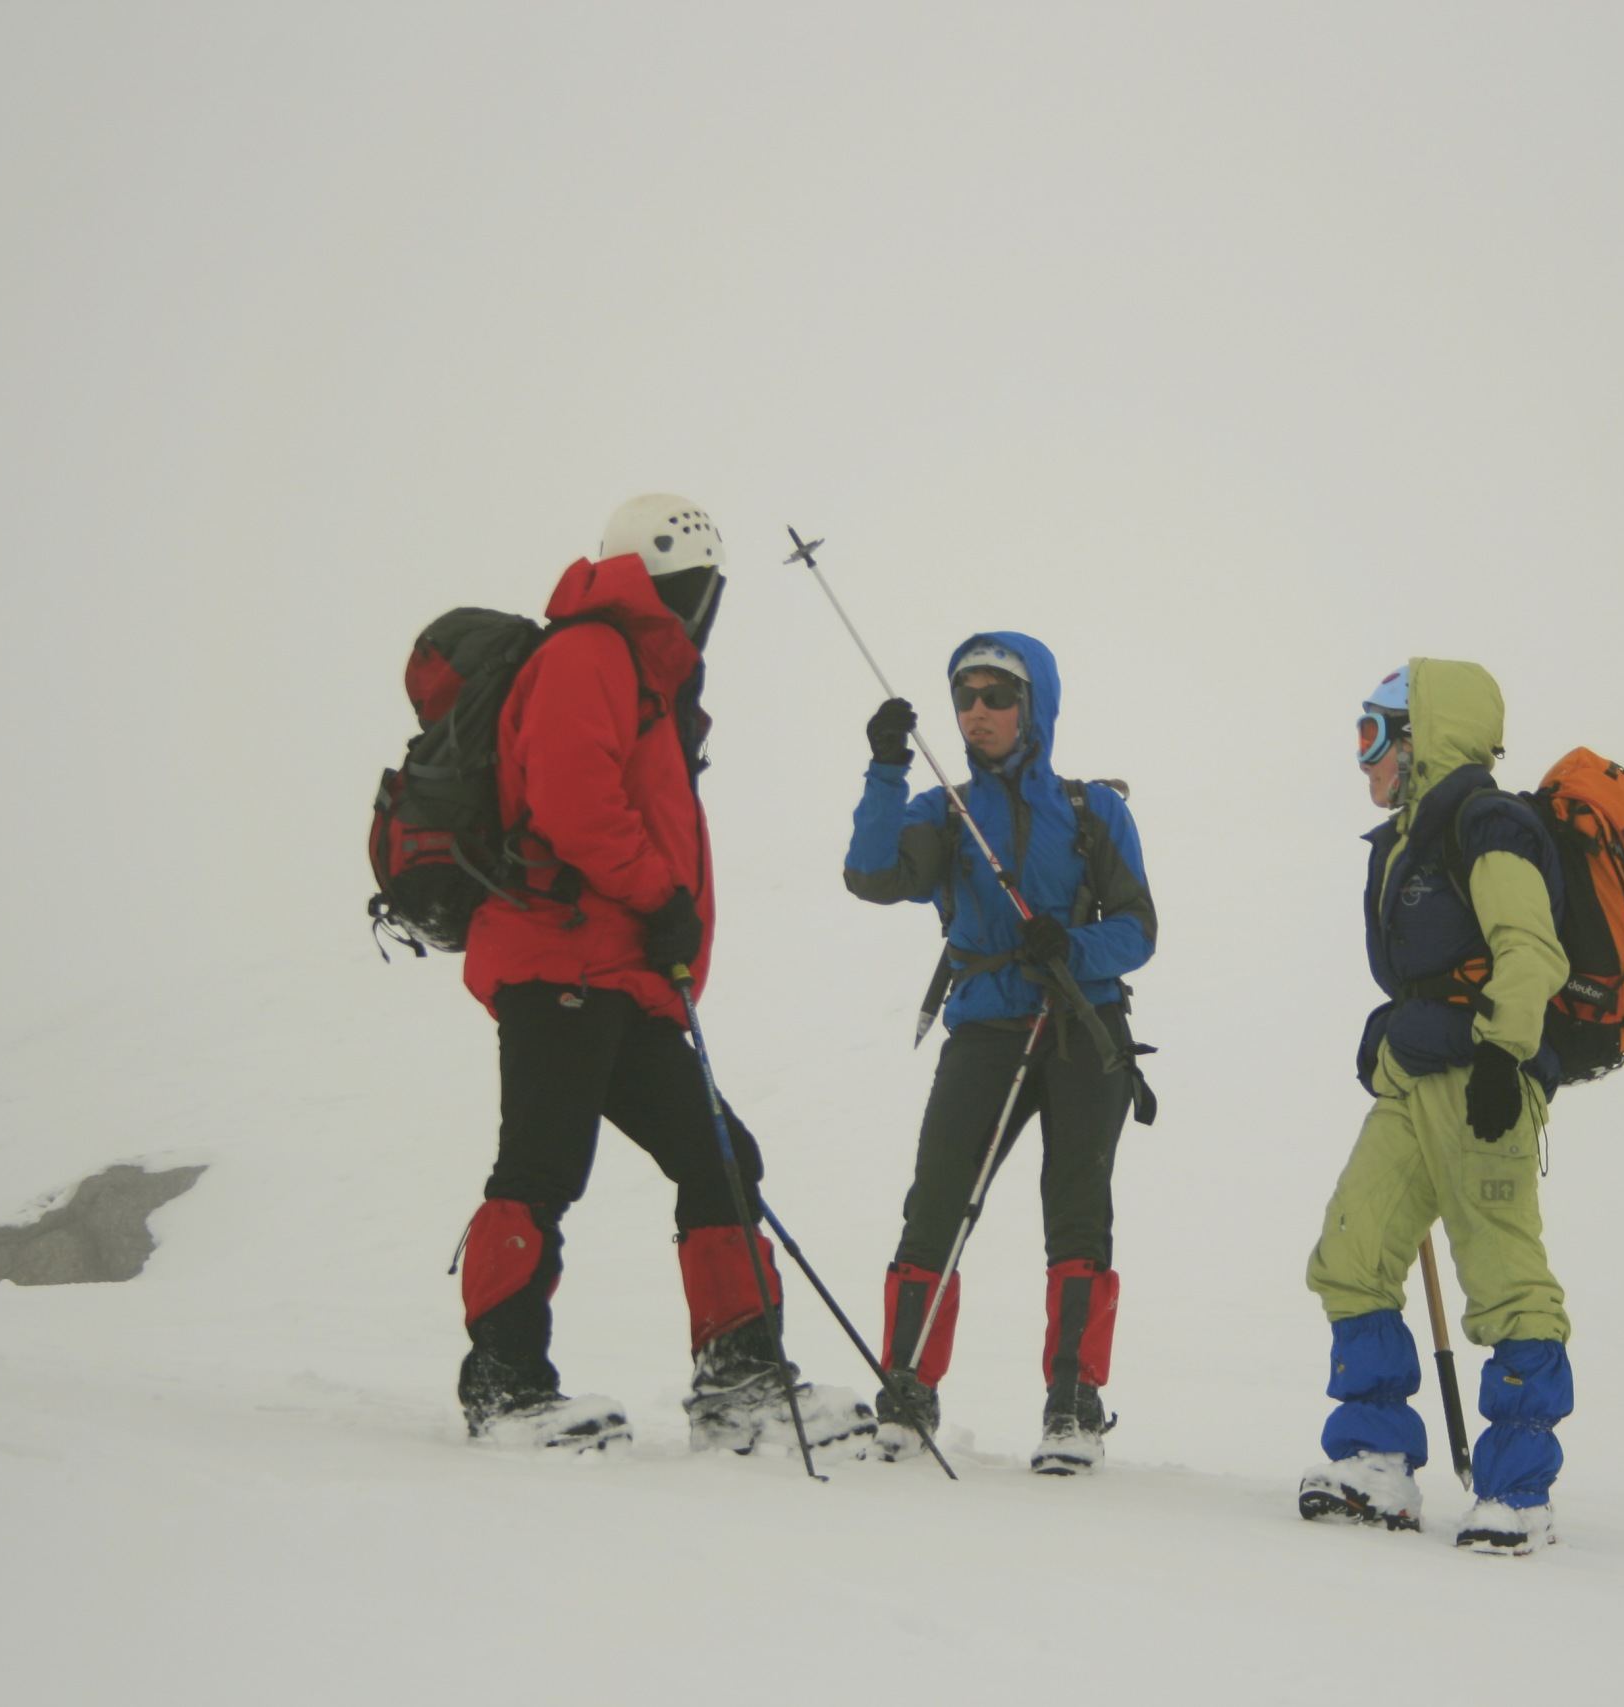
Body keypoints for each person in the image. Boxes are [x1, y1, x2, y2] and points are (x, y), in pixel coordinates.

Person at [452, 492, 867, 1454]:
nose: (706, 604)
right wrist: (660, 894)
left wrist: (661, 923)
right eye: (702, 586)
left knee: (720, 1155)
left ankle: (740, 1385)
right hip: (562, 956)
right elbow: (572, 800)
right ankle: (504, 1387)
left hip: (622, 972)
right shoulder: (589, 652)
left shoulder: (642, 671)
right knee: (542, 1166)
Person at [843, 634, 1155, 1473]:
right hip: (985, 1029)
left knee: (1077, 1213)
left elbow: (1138, 929)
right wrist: (885, 769)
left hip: (1084, 1029)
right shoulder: (941, 811)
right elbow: (872, 876)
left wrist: (1073, 947)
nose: (976, 711)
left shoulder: (1094, 810)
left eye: (997, 695)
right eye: (965, 696)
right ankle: (907, 1390)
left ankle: (1073, 1405)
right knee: (936, 1205)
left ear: (1033, 706)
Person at [1298, 660, 1575, 1554]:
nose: (1364, 757)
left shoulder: (1486, 823)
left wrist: (1502, 1055)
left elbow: (1528, 947)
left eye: (1374, 734)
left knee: (1503, 1278)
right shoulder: (1408, 840)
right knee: (1350, 1253)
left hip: (1481, 1080)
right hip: (1413, 1076)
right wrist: (1392, 1034)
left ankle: (1518, 1493)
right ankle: (1375, 1460)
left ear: (1421, 737)